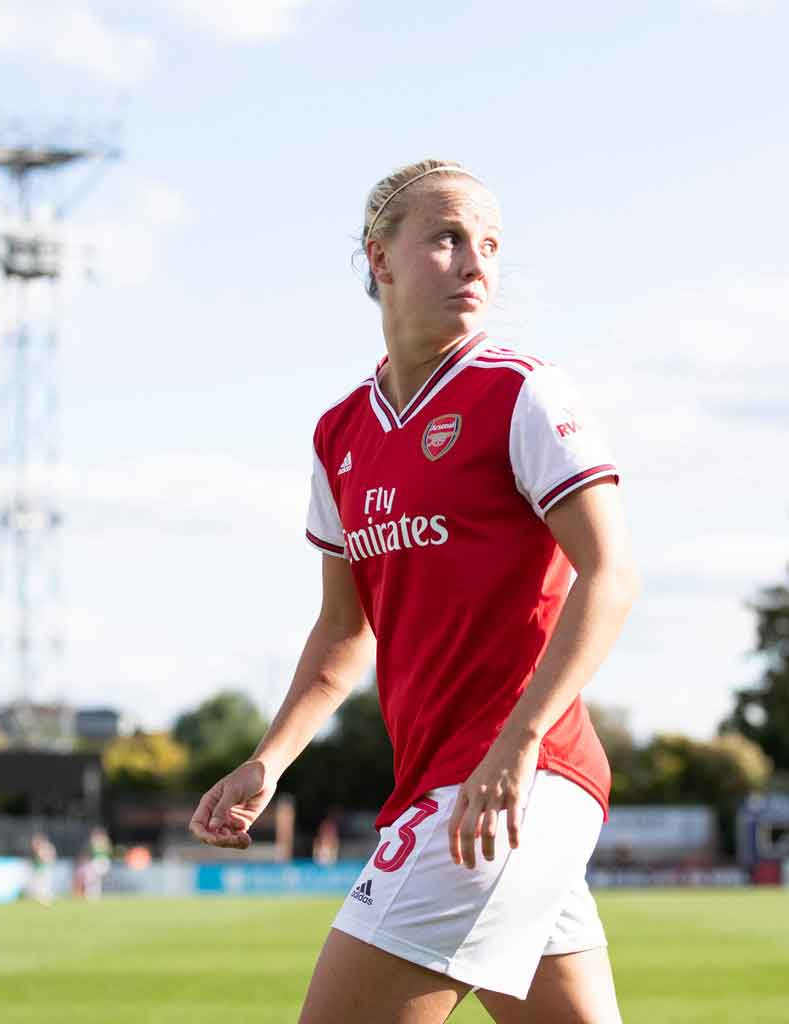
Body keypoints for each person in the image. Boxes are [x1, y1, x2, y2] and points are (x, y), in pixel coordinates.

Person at [190, 158, 639, 1023]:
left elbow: (611, 573)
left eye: (490, 245)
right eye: (446, 238)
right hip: (448, 783)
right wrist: (269, 759)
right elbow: (340, 632)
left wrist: (518, 742)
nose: (476, 262)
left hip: (517, 777)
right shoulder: (339, 434)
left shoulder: (522, 392)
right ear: (380, 258)